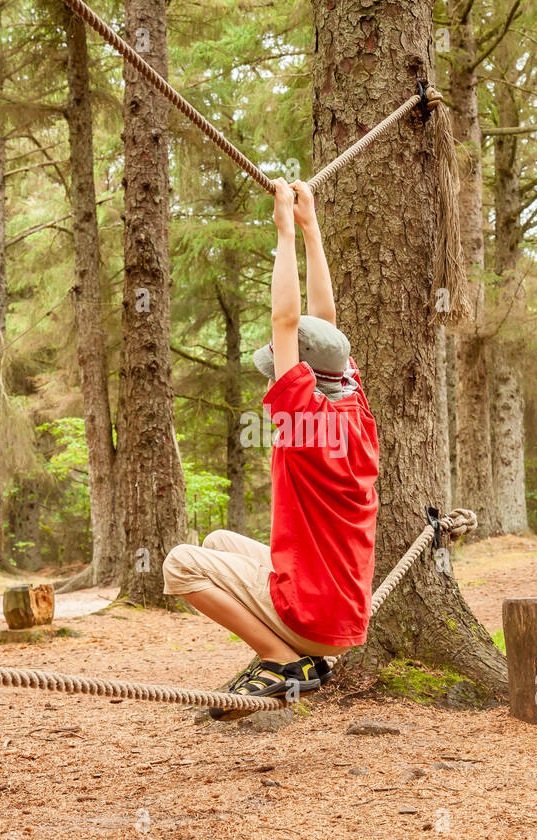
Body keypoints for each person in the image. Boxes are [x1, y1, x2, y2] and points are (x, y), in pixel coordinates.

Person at [162, 178, 381, 720]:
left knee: (181, 564)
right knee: (217, 541)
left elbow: (288, 321)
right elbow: (322, 325)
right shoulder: (354, 406)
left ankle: (283, 661)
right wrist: (312, 230)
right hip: (341, 611)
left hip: (314, 619)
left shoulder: (303, 416)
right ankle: (300, 655)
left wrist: (283, 228)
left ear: (305, 373)